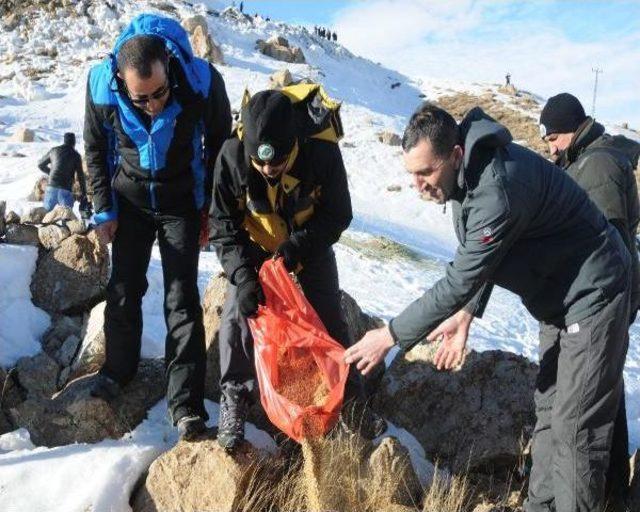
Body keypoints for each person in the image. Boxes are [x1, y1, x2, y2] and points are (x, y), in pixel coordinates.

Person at [345, 103, 631, 512]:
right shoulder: (466, 179)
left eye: (425, 173)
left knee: (575, 429)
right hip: (556, 297)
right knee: (549, 411)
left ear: (456, 154)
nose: (418, 185)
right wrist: (465, 315)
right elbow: (486, 253)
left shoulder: (496, 186)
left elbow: (462, 275)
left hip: (593, 293)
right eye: (412, 174)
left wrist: (389, 335)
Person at [84, 14, 231, 440]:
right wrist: (102, 210)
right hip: (129, 201)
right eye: (141, 98)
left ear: (168, 65)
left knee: (181, 298)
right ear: (121, 80)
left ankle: (184, 404)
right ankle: (116, 373)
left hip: (180, 201)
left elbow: (220, 149)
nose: (153, 104)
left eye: (160, 93)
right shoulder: (99, 85)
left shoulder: (202, 82)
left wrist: (210, 212)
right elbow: (95, 149)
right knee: (124, 288)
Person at [210, 89, 383, 450]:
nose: (269, 172)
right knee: (235, 319)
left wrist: (297, 249)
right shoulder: (232, 156)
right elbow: (223, 226)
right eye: (261, 165)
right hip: (255, 249)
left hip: (306, 245)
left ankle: (351, 404)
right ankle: (234, 402)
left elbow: (338, 214)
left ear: (294, 146)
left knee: (329, 321)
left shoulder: (321, 152)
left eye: (278, 164)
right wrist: (242, 276)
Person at [540, 92, 640, 511]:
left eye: (555, 136)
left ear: (576, 128)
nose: (550, 146)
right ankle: (613, 492)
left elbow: (607, 245)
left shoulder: (597, 166)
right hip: (594, 297)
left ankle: (604, 493)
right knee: (602, 393)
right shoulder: (582, 159)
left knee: (586, 409)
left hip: (600, 299)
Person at [38, 132, 88, 212]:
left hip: (52, 188)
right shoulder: (76, 155)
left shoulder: (53, 151)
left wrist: (51, 172)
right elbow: (80, 176)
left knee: (46, 218)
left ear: (64, 141)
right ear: (74, 142)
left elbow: (40, 164)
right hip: (65, 190)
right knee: (66, 218)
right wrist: (84, 194)